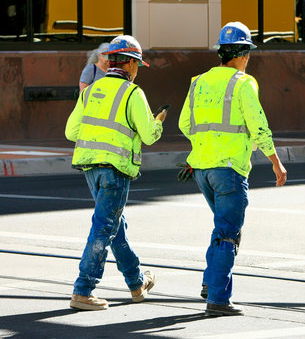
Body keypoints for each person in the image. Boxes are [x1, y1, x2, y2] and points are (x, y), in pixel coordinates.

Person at [179, 21, 287, 316]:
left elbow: (184, 125)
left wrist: (206, 145)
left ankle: (208, 282)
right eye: (248, 55)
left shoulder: (198, 82)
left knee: (221, 226)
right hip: (229, 169)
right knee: (228, 232)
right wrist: (275, 161)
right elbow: (259, 125)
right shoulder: (243, 82)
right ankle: (218, 299)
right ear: (242, 55)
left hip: (201, 168)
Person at [65, 35, 167, 310]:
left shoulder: (90, 91)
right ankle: (83, 290)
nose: (137, 71)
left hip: (89, 167)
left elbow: (71, 131)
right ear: (132, 64)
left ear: (110, 62)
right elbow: (148, 136)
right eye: (137, 66)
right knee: (104, 228)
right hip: (116, 170)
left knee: (114, 227)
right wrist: (157, 122)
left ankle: (136, 284)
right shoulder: (133, 94)